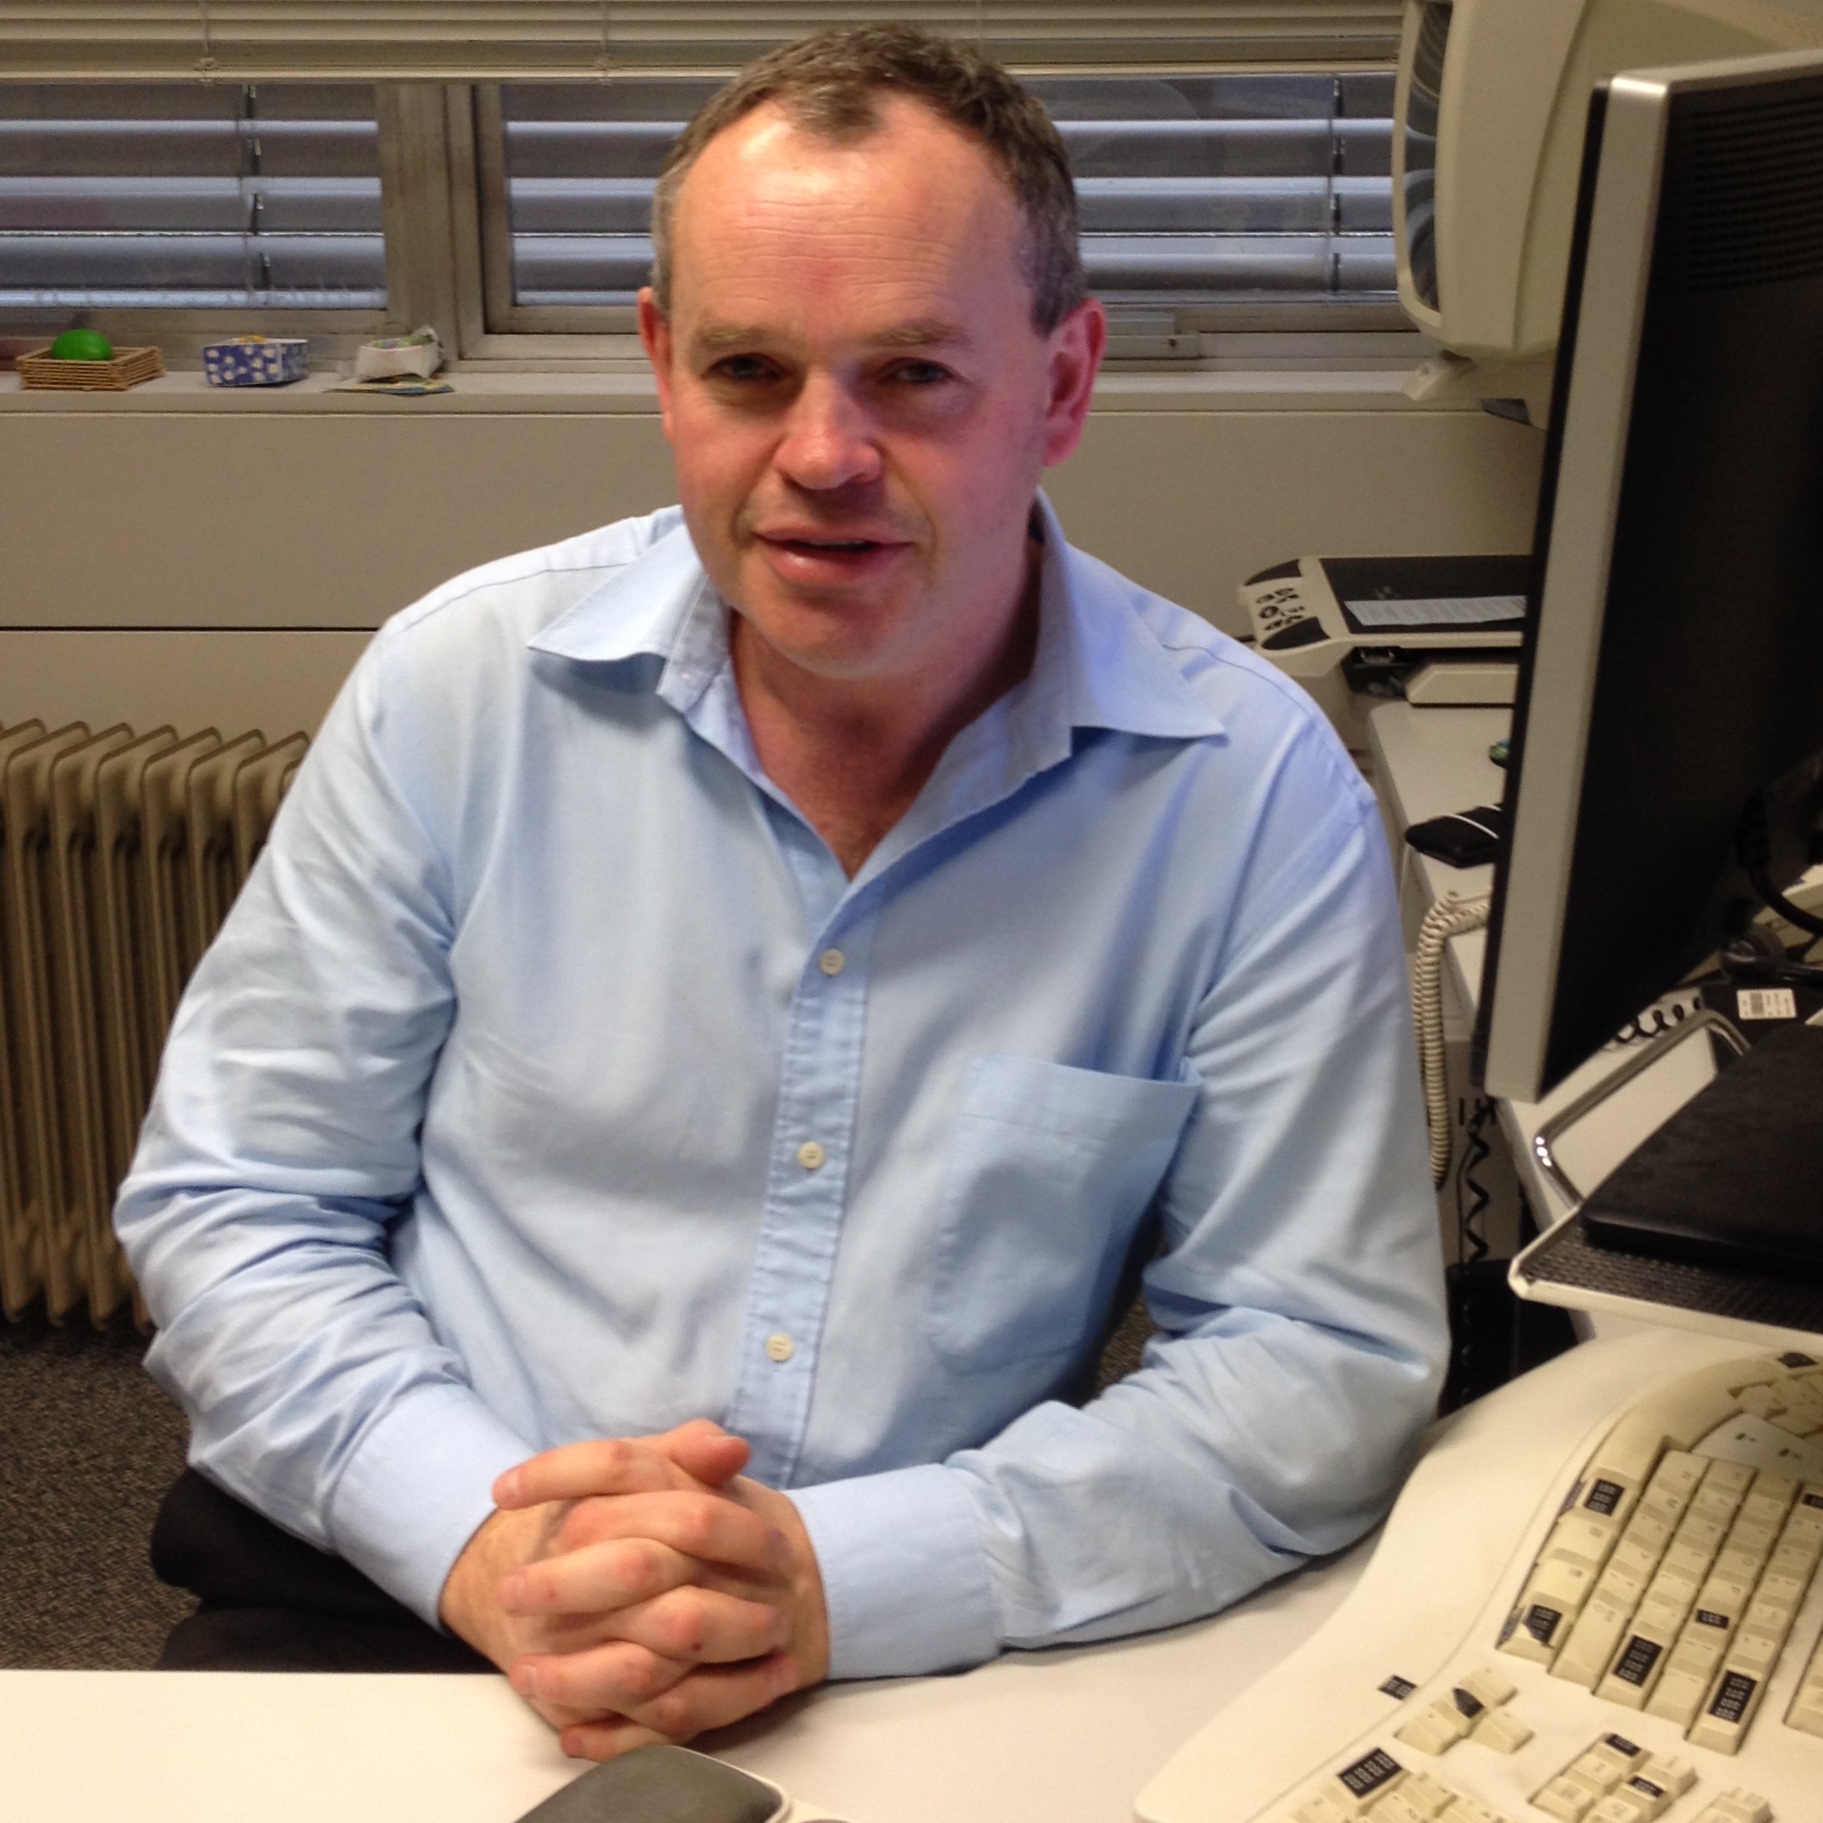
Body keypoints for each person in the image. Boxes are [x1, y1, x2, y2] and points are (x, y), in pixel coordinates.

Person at [116, 25, 1448, 1763]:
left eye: (910, 376)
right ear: (665, 366)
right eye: (752, 370)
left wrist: (844, 1575)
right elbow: (241, 1204)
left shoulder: (1249, 791)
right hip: (416, 1573)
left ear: (1059, 385)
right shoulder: (462, 689)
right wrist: (493, 1546)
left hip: (932, 1622)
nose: (821, 455)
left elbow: (1312, 1357)